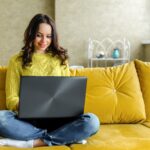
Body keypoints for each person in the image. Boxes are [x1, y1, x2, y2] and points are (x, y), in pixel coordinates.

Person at [0, 14, 100, 148]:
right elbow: (11, 99)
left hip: (59, 120)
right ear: (31, 34)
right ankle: (65, 137)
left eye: (48, 36)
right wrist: (28, 104)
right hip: (29, 121)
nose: (44, 41)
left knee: (92, 121)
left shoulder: (61, 59)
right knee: (1, 118)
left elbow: (67, 93)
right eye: (39, 35)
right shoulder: (16, 61)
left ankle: (35, 142)